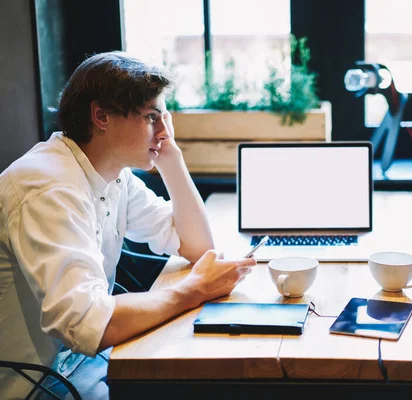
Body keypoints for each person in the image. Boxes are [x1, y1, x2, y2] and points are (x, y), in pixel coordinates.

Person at [0, 51, 256, 399]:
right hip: (36, 384)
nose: (164, 131)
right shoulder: (48, 188)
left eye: (164, 118)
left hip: (80, 363)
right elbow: (87, 323)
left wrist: (171, 157)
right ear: (101, 116)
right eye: (152, 117)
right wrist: (193, 289)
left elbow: (196, 246)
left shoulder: (112, 175)